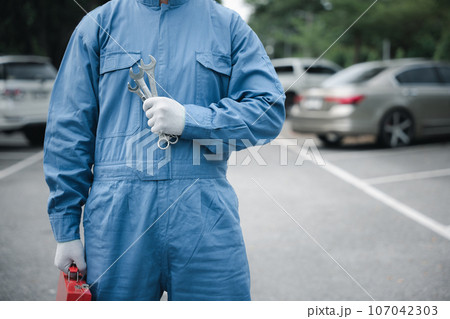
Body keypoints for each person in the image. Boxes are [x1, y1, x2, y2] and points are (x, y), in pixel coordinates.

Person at [44, 0, 285, 301]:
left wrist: (191, 120)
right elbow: (68, 130)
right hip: (117, 220)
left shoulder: (227, 26)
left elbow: (268, 110)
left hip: (204, 215)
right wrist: (66, 229)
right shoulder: (98, 26)